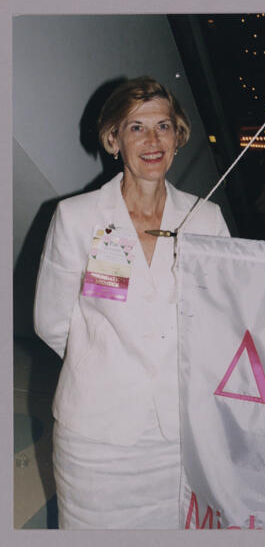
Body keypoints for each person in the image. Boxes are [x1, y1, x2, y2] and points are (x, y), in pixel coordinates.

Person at [34, 76, 230, 529]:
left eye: (163, 126)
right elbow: (51, 321)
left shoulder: (207, 219)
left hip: (177, 433)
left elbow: (220, 319)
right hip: (96, 434)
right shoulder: (77, 216)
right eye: (136, 127)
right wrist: (102, 361)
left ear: (178, 136)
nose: (152, 140)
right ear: (113, 139)